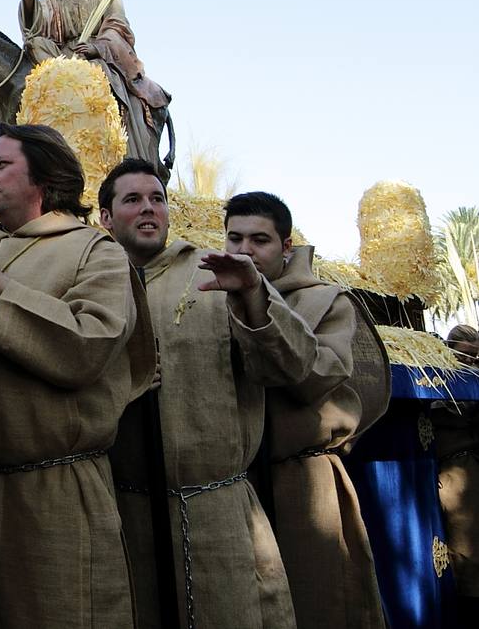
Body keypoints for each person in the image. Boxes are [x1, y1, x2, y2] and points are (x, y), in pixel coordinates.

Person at [99, 158, 316, 629]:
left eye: (157, 198)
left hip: (216, 518)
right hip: (123, 516)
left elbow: (294, 363)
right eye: (132, 200)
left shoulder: (218, 274)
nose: (148, 208)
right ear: (105, 218)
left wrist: (252, 299)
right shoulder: (92, 282)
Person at [0, 124, 151, 628]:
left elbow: (90, 345)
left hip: (59, 495)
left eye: (1, 165)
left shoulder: (97, 252)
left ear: (45, 179)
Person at [224, 191, 389, 628]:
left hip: (303, 485)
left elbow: (312, 379)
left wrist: (258, 305)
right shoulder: (211, 297)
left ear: (286, 247)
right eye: (234, 239)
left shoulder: (326, 302)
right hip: (237, 485)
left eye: (259, 240)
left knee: (322, 604)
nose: (245, 251)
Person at [17, 0, 172, 180]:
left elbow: (118, 26)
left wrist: (97, 47)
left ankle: (125, 147)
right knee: (35, 45)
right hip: (62, 58)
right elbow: (34, 28)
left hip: (100, 55)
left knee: (106, 83)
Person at [436, 324, 479, 621]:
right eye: (466, 355)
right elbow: (446, 412)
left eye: (476, 357)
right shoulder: (438, 379)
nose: (471, 363)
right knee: (465, 552)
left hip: (472, 465)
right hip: (457, 472)